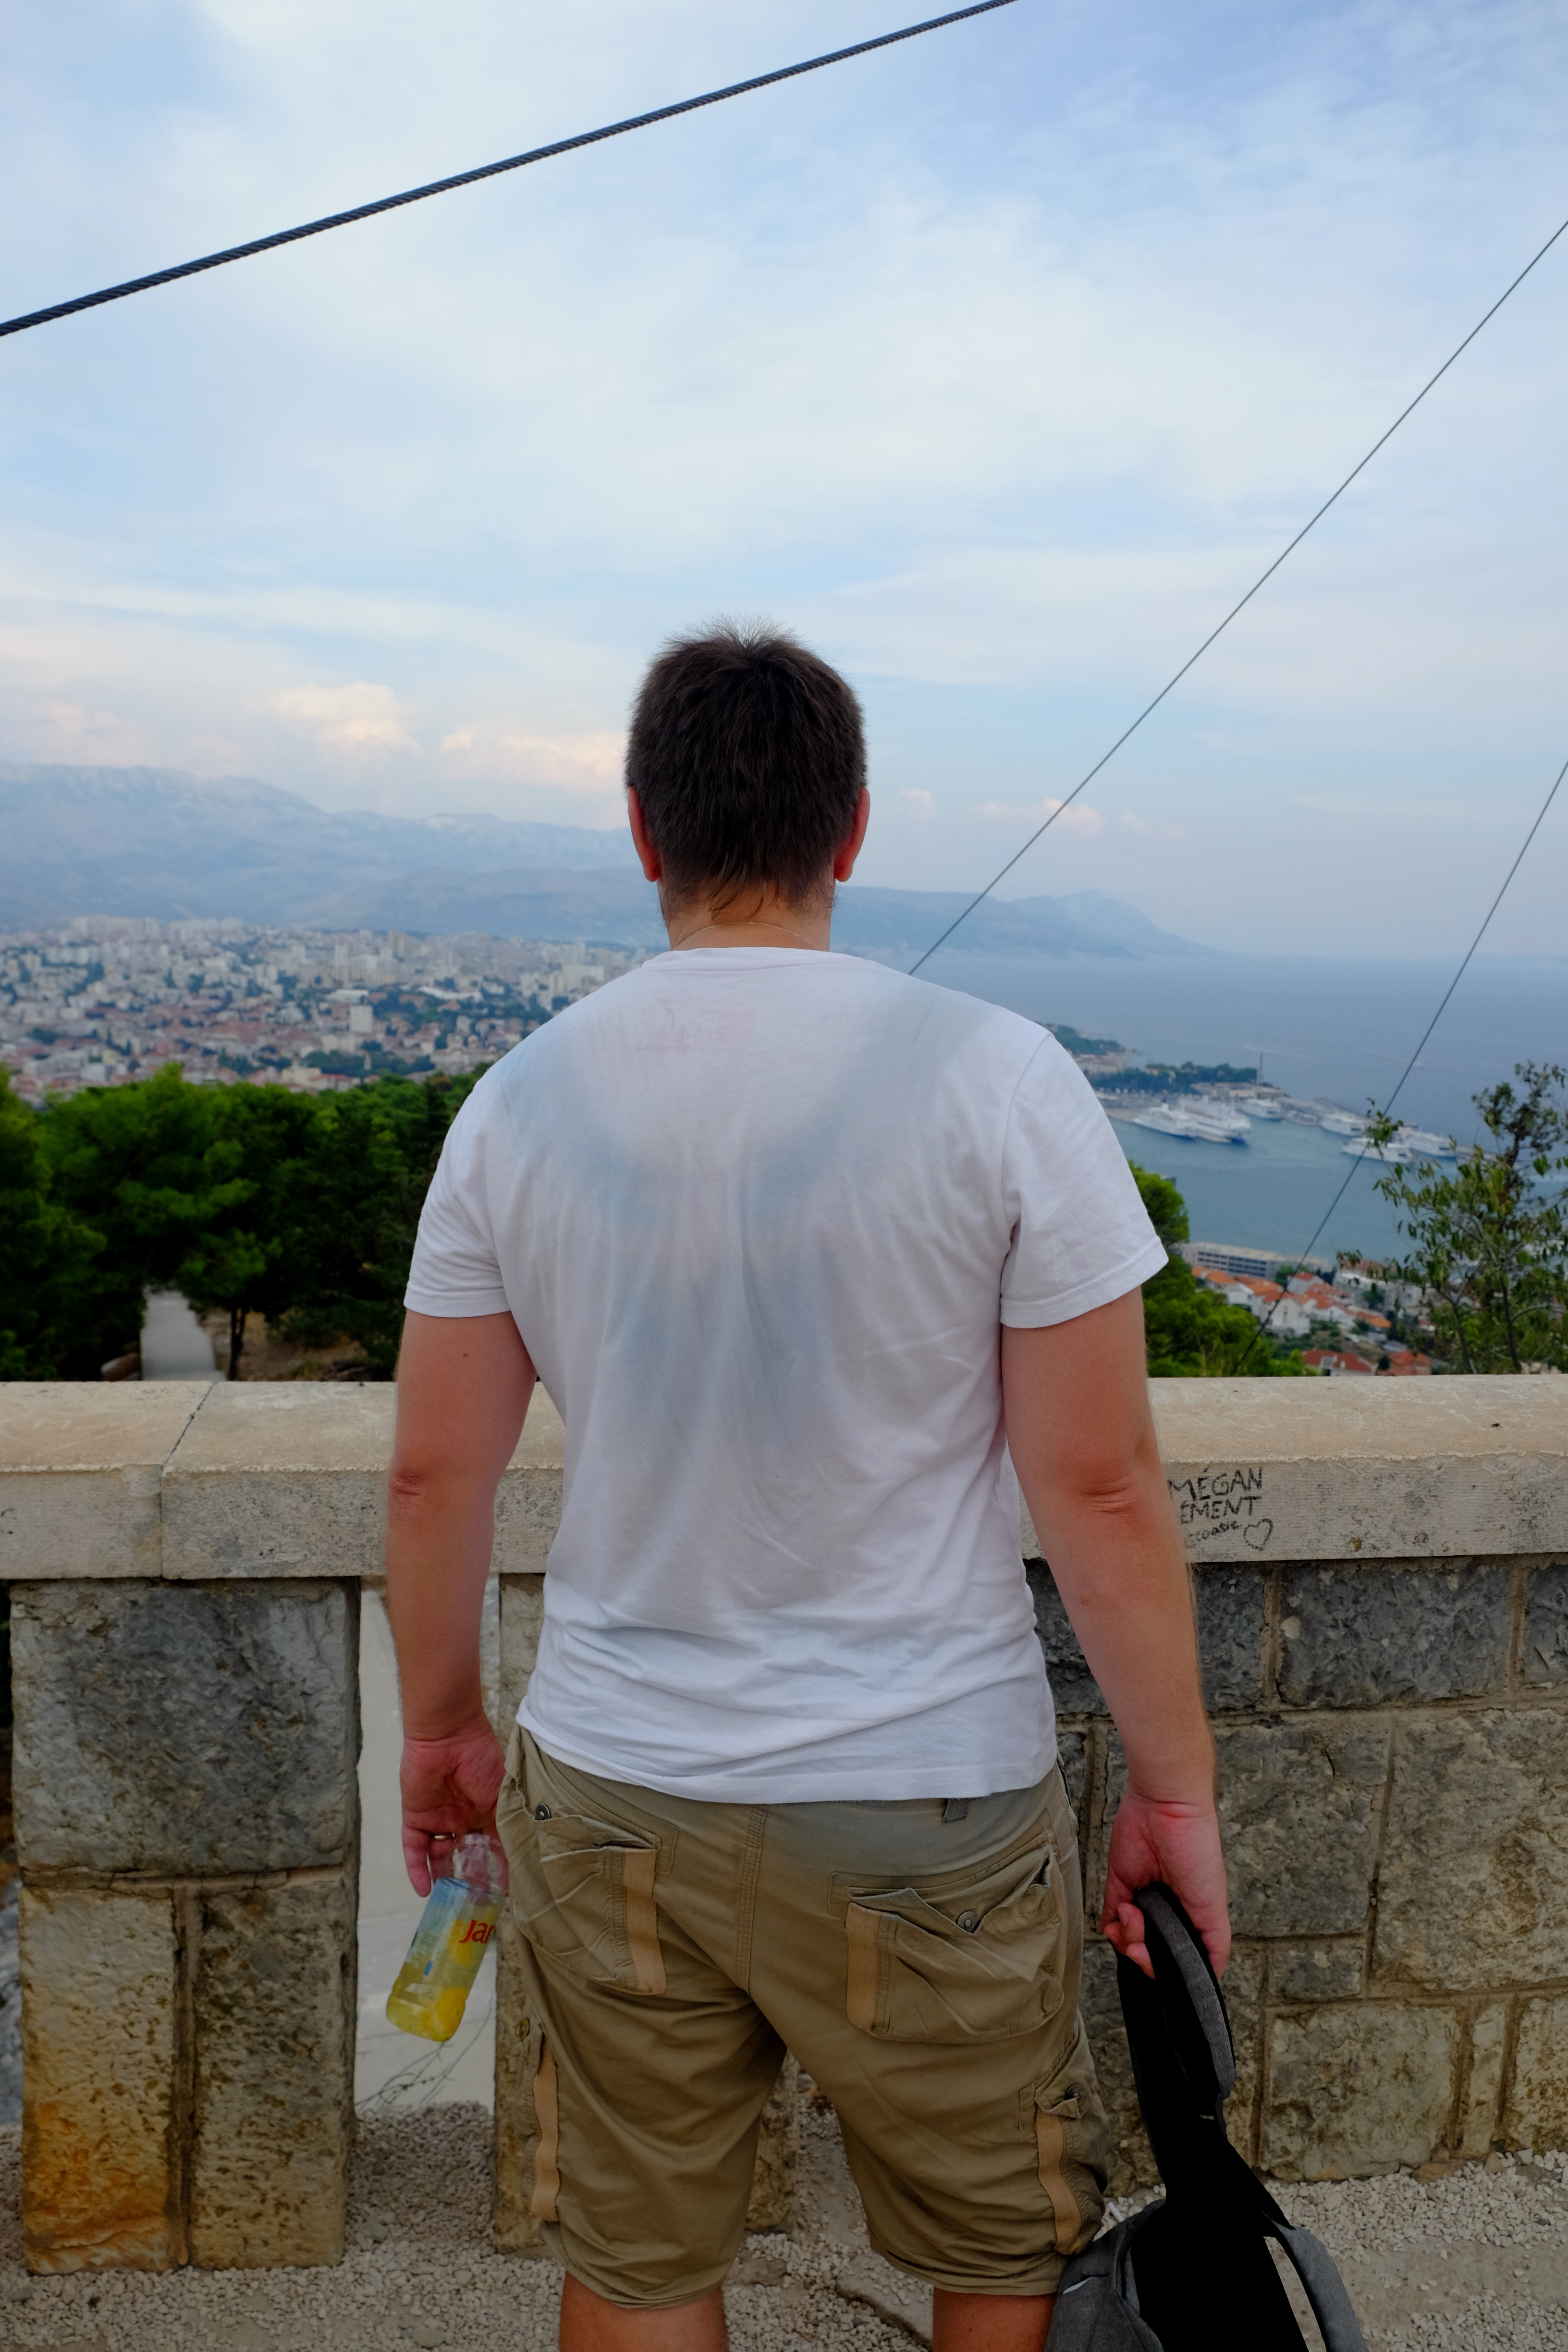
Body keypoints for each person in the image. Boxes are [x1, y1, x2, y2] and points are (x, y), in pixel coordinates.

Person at [387, 623, 1230, 2352]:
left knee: (638, 2260)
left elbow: (431, 1475)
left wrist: (447, 1728)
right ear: (851, 829)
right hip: (927, 1786)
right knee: (999, 2245)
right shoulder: (1005, 1078)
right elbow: (1098, 1484)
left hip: (619, 1779)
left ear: (644, 829)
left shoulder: (514, 1105)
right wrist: (1176, 1794)